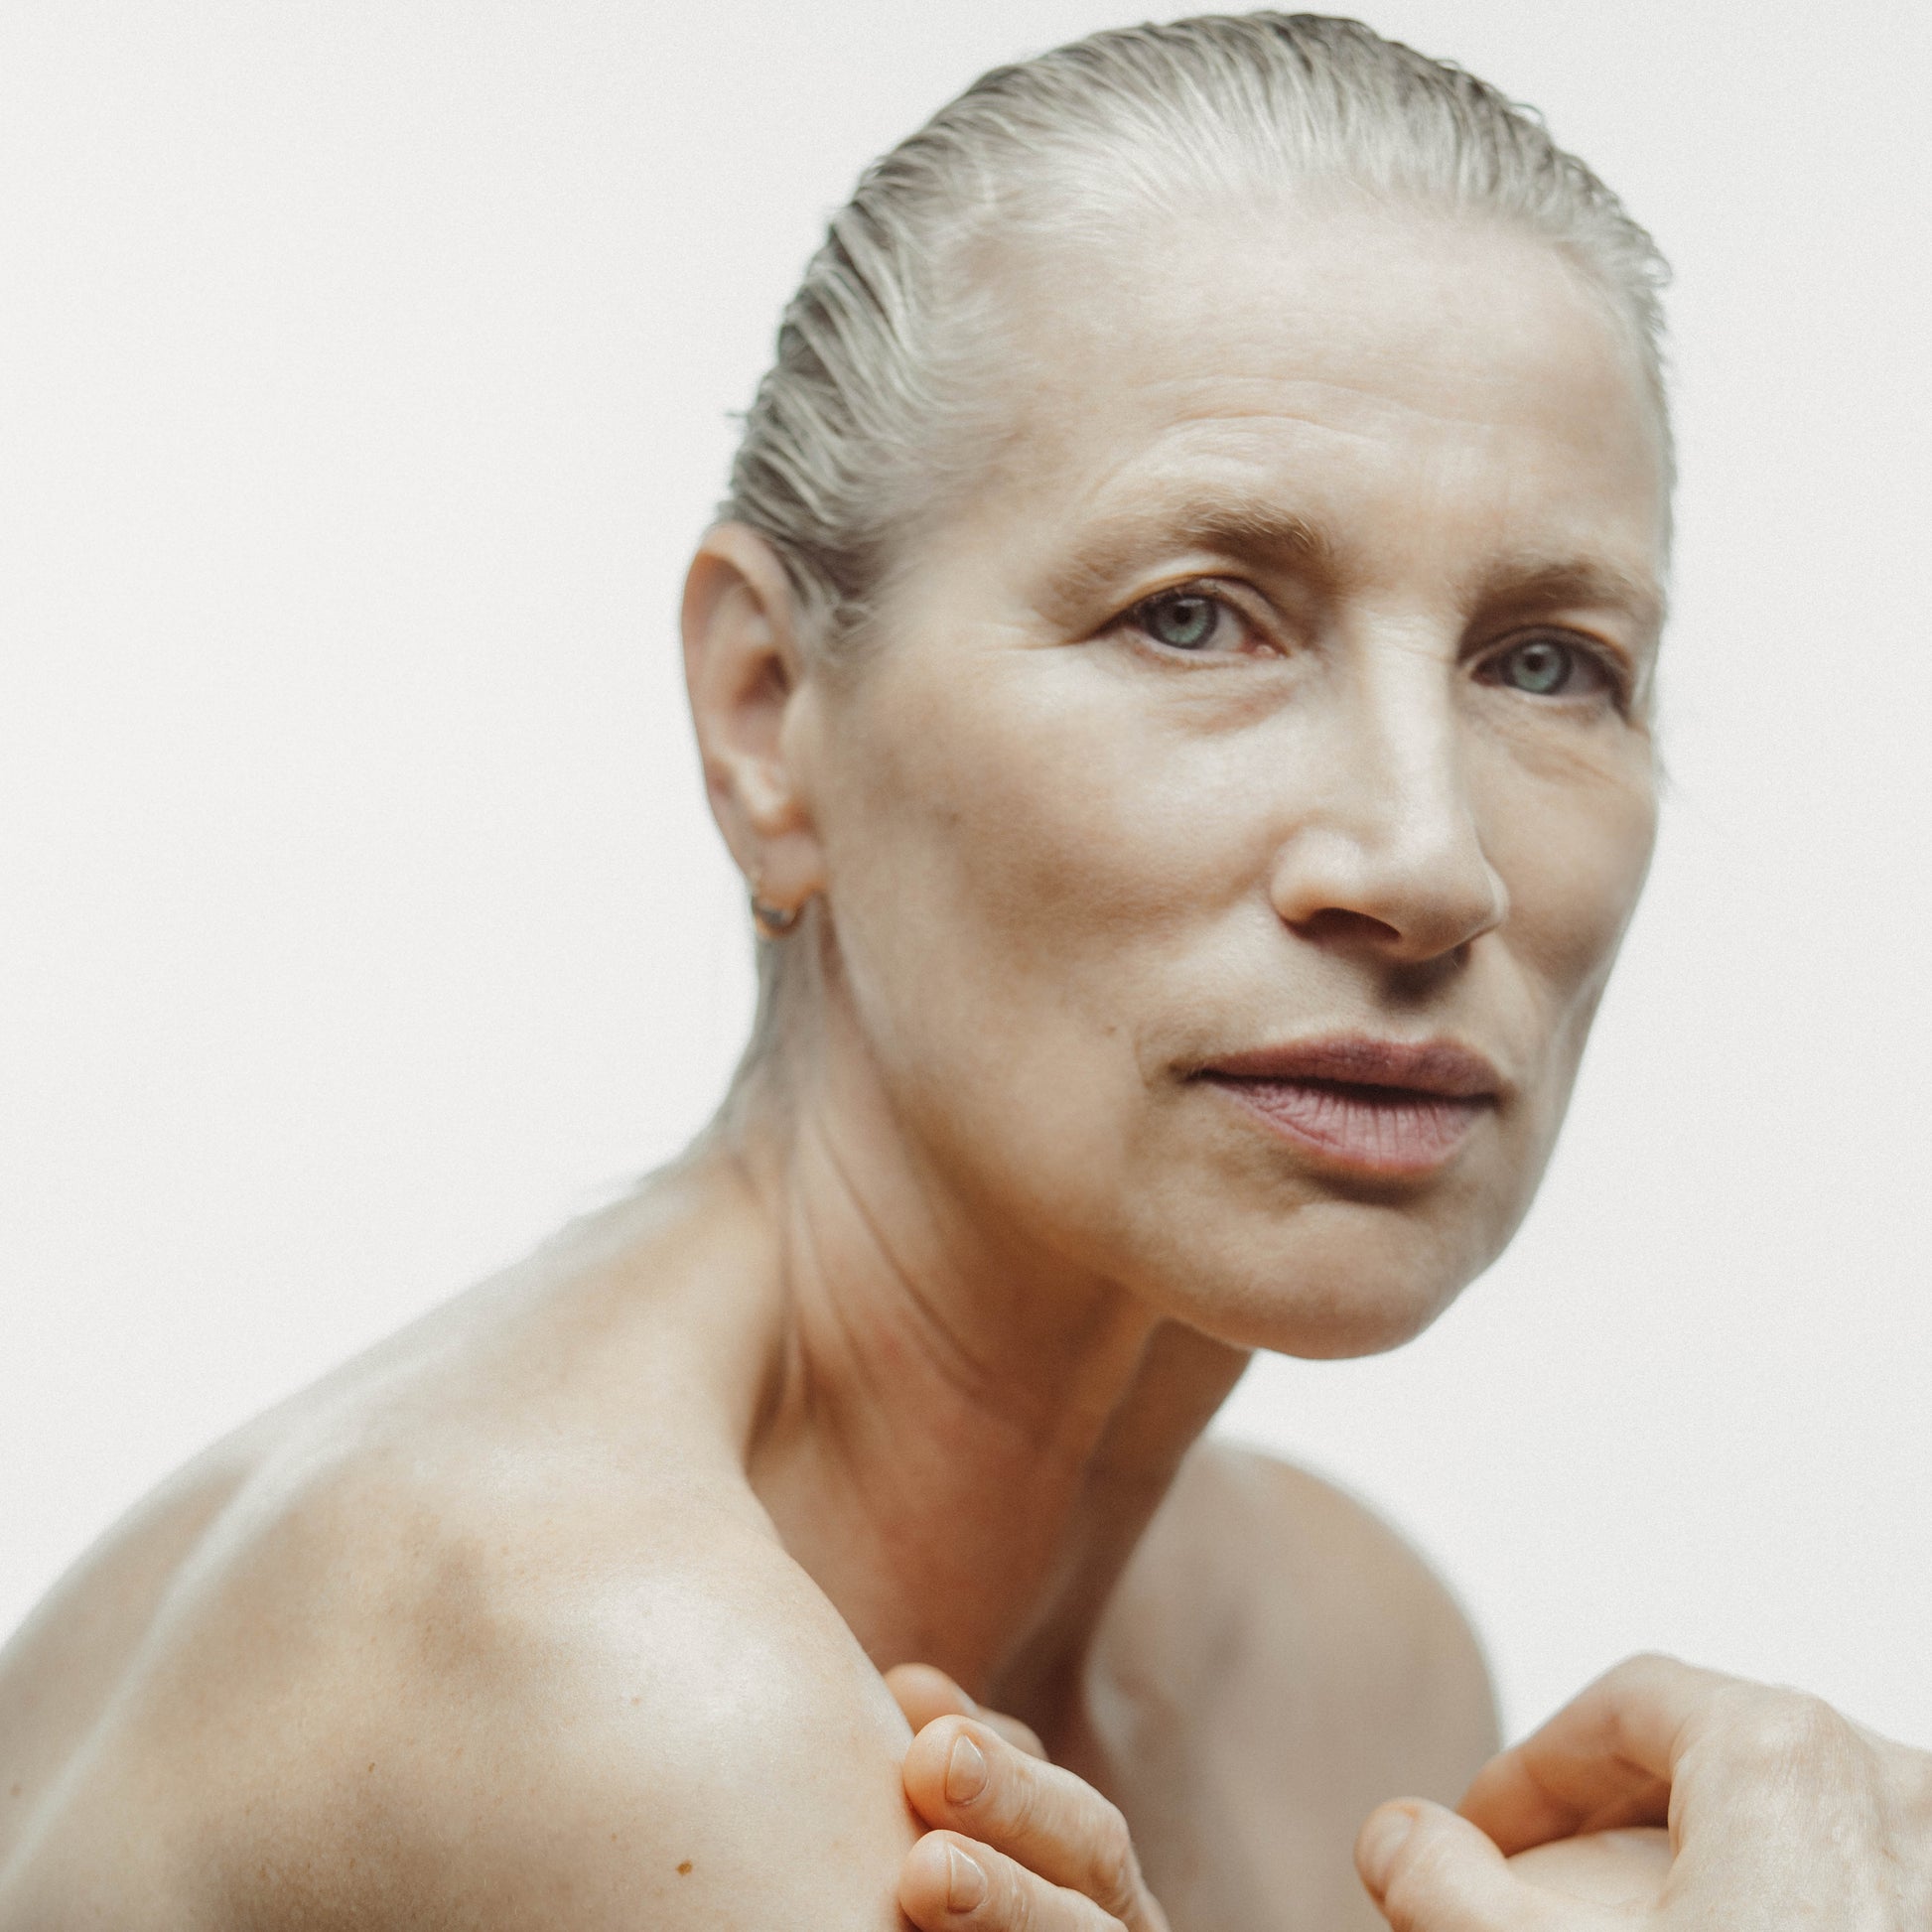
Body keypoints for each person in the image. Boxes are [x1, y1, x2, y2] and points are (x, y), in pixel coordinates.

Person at [0, 12, 1924, 1929]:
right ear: (770, 710)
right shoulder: (621, 1686)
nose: (1426, 860)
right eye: (1195, 618)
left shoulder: (1345, 1652)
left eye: (1543, 661)